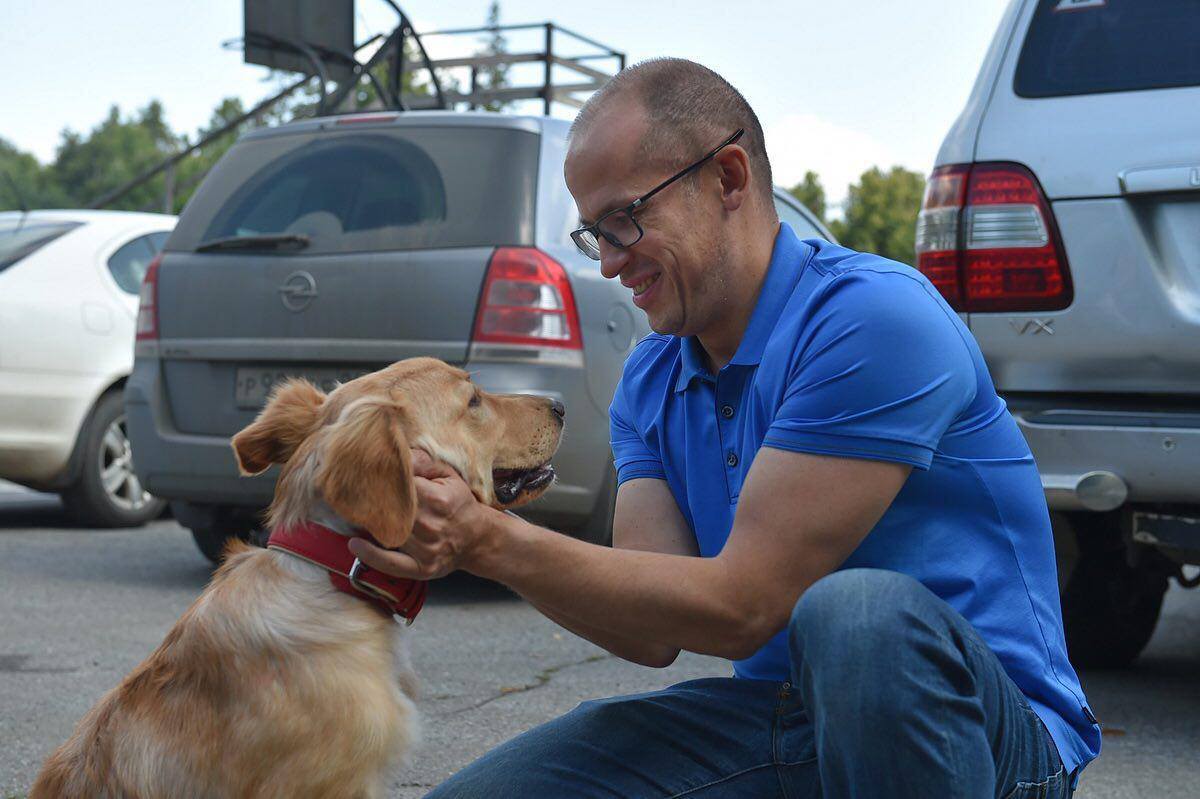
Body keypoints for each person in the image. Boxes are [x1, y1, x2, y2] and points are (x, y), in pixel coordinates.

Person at [349, 58, 1101, 798]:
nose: (611, 263)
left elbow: (747, 604)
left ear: (729, 178)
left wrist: (485, 538)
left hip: (985, 745)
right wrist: (473, 531)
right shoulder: (651, 377)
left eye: (625, 220)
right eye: (593, 235)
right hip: (786, 723)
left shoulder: (872, 320)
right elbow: (650, 627)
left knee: (858, 614)